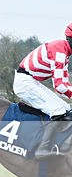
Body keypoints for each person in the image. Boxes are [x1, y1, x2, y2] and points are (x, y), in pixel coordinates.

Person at [13, 22, 72, 160]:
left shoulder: (64, 52)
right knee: (58, 111)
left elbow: (64, 82)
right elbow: (59, 86)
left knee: (66, 109)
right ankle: (42, 149)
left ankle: (59, 145)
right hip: (25, 83)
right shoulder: (60, 51)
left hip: (31, 81)